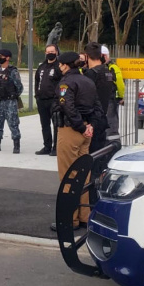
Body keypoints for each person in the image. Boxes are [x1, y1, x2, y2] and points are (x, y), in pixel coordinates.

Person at [50, 51, 100, 232]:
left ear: (65, 65)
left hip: (70, 130)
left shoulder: (66, 82)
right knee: (83, 175)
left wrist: (79, 126)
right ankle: (85, 216)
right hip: (86, 130)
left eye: (60, 64)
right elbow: (97, 106)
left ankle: (69, 219)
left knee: (68, 176)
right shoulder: (87, 81)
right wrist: (90, 126)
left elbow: (67, 106)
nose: (58, 67)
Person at [0, 49, 23, 153]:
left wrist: (13, 95)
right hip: (0, 101)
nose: (0, 57)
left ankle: (16, 145)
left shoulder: (13, 71)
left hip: (10, 101)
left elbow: (19, 87)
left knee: (13, 123)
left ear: (7, 58)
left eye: (2, 56)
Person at [82, 42, 114, 153]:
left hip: (91, 119)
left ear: (86, 56)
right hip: (102, 116)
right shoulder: (108, 72)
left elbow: (85, 97)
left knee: (90, 153)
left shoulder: (91, 74)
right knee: (99, 152)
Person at [34, 44, 61, 156]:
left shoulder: (59, 66)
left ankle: (56, 148)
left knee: (56, 125)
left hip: (54, 101)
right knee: (45, 125)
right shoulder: (41, 67)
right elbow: (37, 81)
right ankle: (47, 146)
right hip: (41, 100)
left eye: (52, 51)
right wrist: (37, 95)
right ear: (45, 53)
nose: (50, 53)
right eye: (48, 52)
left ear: (56, 52)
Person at [101, 45, 124, 151]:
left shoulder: (113, 68)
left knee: (111, 124)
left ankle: (113, 146)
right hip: (106, 100)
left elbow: (120, 84)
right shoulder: (108, 67)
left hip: (111, 100)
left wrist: (121, 96)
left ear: (105, 56)